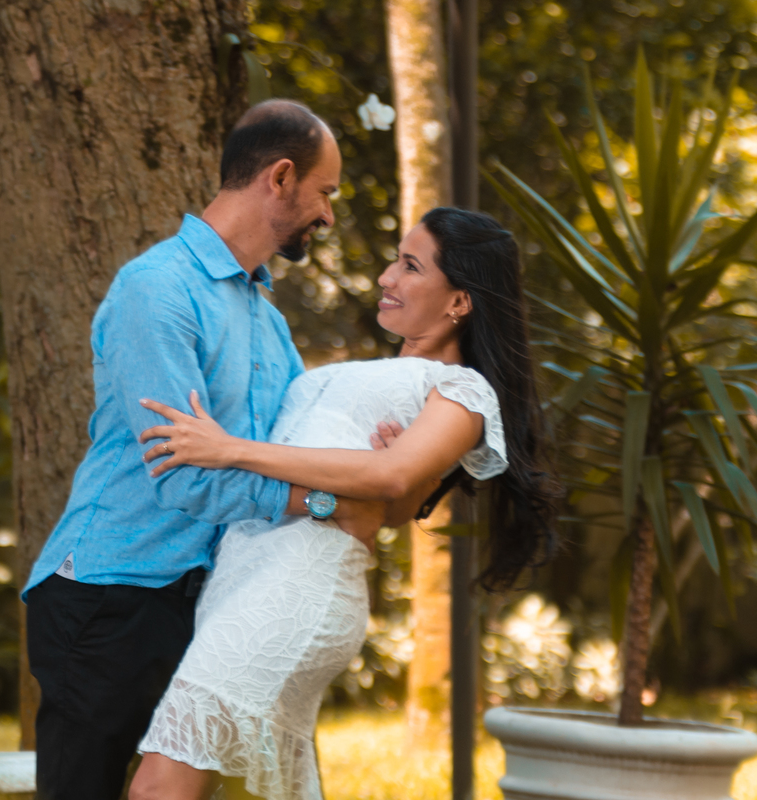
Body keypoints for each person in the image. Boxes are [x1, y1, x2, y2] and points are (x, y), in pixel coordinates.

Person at [20, 99, 390, 800]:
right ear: (280, 177)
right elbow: (186, 477)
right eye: (326, 192)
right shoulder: (155, 291)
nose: (329, 214)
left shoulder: (266, 321)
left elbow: (284, 447)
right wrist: (325, 501)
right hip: (111, 595)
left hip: (205, 595)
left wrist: (372, 448)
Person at [127, 207, 562, 800]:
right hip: (248, 574)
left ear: (459, 302)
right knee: (229, 789)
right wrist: (370, 491)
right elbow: (391, 499)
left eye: (410, 267)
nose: (387, 277)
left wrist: (231, 451)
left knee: (160, 784)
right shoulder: (383, 371)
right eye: (395, 260)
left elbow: (390, 478)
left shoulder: (464, 388)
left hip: (301, 585)